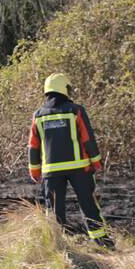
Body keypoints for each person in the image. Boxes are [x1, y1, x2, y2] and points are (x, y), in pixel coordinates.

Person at [28, 73, 113, 247]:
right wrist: (96, 163)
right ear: (64, 89)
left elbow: (33, 146)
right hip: (80, 169)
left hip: (51, 171)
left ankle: (57, 247)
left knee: (53, 212)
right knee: (89, 206)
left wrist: (34, 171)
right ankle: (103, 243)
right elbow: (88, 139)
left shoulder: (38, 115)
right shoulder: (76, 110)